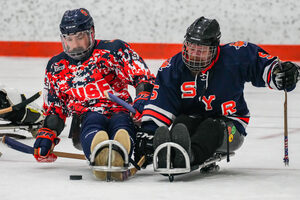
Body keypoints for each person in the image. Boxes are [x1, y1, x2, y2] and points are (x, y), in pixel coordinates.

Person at [134, 16, 299, 169]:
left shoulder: (235, 56)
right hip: (192, 120)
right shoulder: (172, 68)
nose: (195, 55)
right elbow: (161, 103)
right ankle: (172, 151)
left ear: (214, 49)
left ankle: (189, 156)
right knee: (183, 122)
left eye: (201, 50)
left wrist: (281, 74)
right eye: (192, 48)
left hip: (231, 128)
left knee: (211, 127)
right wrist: (148, 134)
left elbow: (264, 66)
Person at [33, 8, 155, 180]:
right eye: (69, 39)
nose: (74, 45)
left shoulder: (113, 50)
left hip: (120, 109)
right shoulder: (56, 66)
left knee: (121, 124)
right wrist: (48, 132)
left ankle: (121, 151)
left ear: (91, 32)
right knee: (92, 124)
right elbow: (55, 107)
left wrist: (143, 99)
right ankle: (99, 154)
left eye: (80, 37)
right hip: (85, 117)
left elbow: (143, 77)